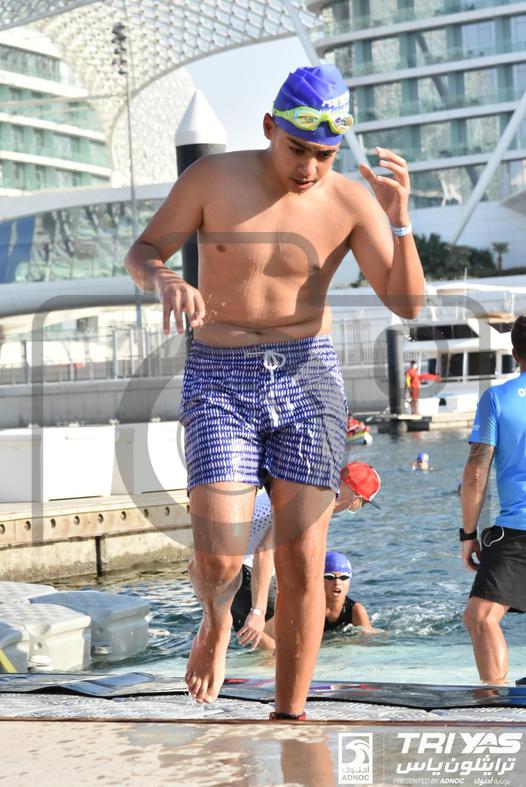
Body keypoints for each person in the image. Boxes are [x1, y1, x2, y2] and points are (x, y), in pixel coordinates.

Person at [124, 63, 424, 720]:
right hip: (220, 374)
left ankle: (290, 714)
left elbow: (405, 302)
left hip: (308, 376)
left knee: (303, 560)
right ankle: (214, 621)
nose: (309, 167)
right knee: (218, 556)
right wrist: (165, 278)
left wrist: (399, 221)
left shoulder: (350, 202)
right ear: (269, 127)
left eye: (324, 154)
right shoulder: (212, 179)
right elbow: (142, 250)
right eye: (297, 148)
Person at [233, 461, 381, 651]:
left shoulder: (313, 489)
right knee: (285, 648)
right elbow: (264, 553)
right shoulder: (311, 504)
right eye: (362, 504)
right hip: (245, 569)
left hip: (230, 565)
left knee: (281, 643)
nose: (356, 508)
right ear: (355, 498)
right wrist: (258, 611)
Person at [461, 315, 526, 685]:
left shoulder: (497, 399)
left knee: (481, 618)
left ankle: (496, 701)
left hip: (519, 530)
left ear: (515, 354)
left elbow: (476, 471)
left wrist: (468, 534)